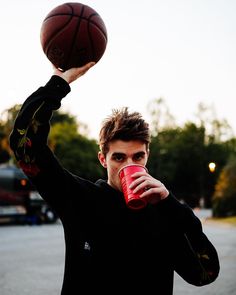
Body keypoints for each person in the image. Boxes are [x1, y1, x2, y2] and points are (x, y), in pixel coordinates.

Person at [9, 62, 220, 295]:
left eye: (138, 156)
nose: (129, 166)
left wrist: (171, 204)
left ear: (147, 154)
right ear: (102, 159)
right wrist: (59, 83)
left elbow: (205, 273)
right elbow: (25, 144)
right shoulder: (80, 199)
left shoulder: (165, 213)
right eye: (118, 158)